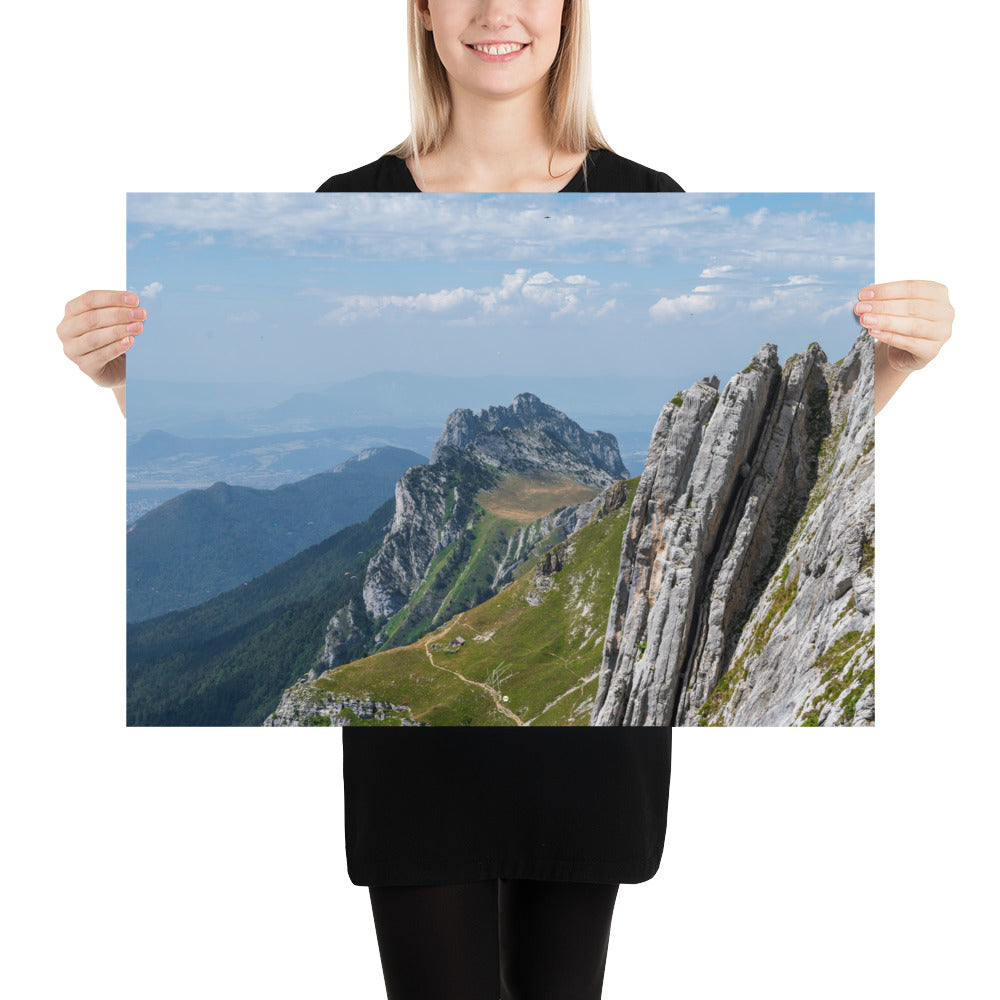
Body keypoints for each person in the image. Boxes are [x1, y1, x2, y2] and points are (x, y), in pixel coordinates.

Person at [55, 2, 954, 997]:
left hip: (589, 766)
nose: (496, 12)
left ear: (569, 14)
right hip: (420, 783)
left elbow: (771, 468)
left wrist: (898, 364)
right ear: (424, 13)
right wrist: (123, 381)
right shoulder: (350, 198)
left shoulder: (645, 196)